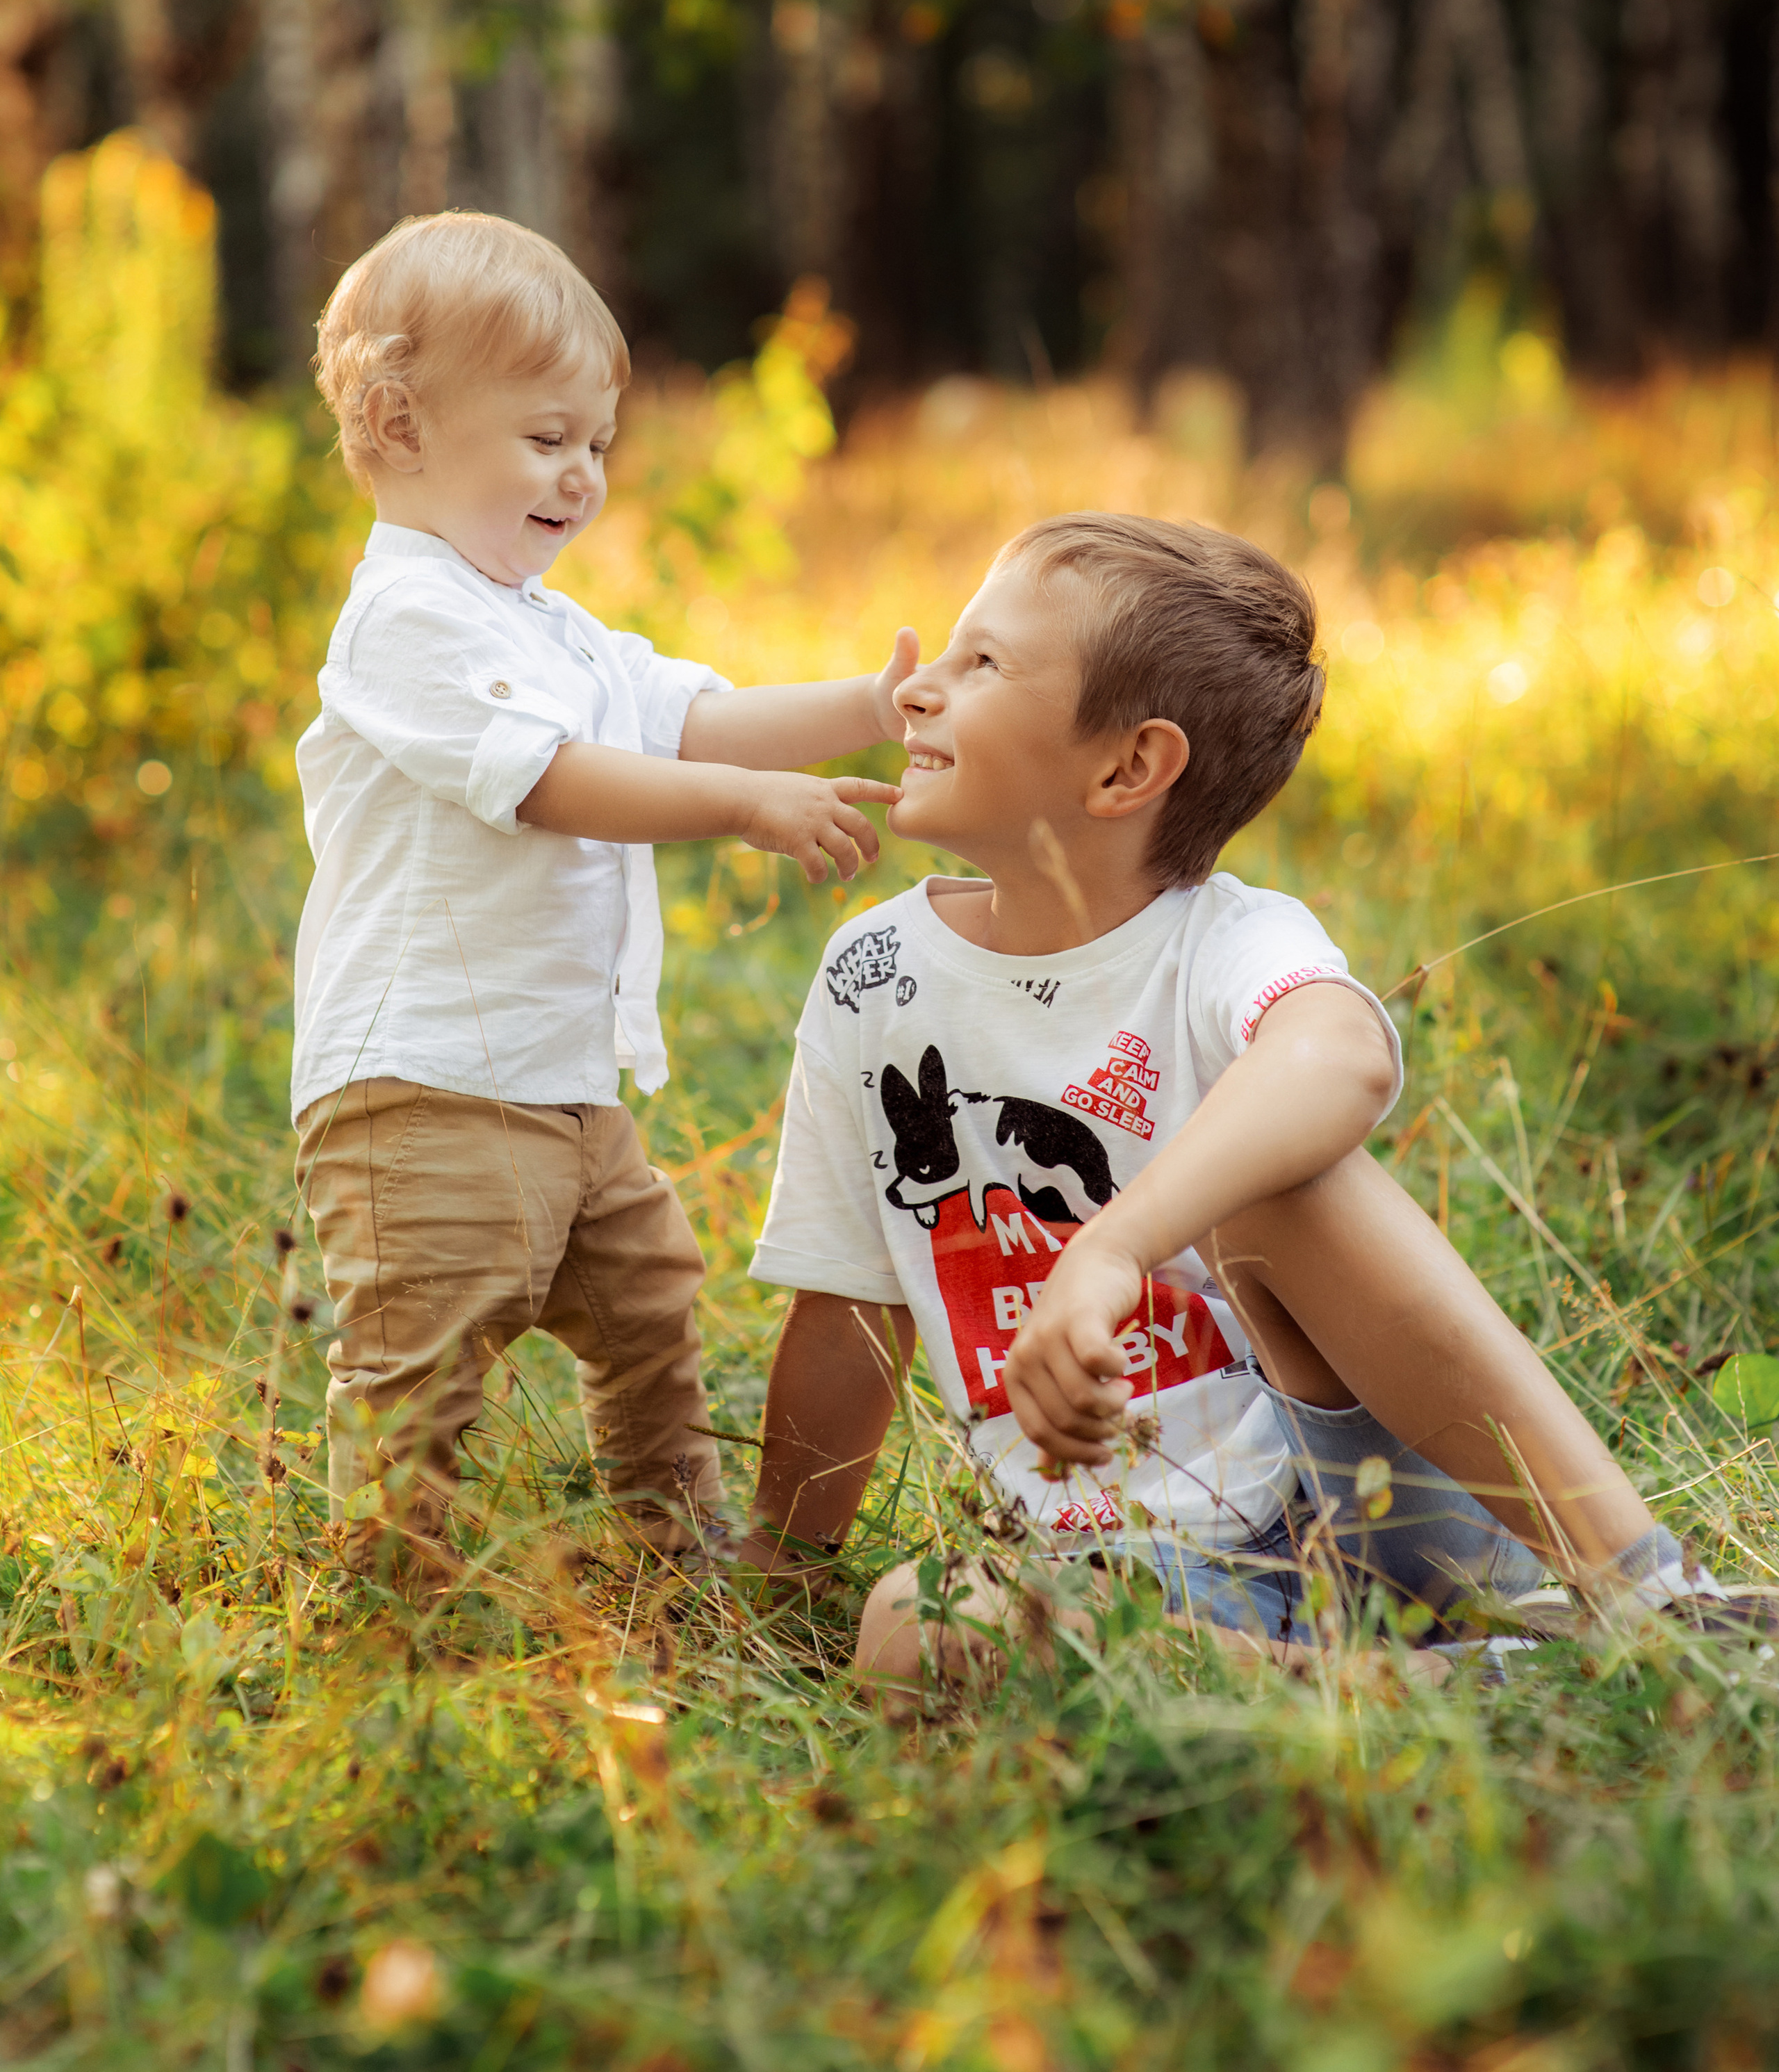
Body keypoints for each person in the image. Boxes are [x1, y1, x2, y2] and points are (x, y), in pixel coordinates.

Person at [738, 511, 1737, 1702]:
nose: (919, 691)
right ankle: (1470, 1694)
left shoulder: (1224, 941)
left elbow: (1343, 1057)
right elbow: (849, 1317)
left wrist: (1113, 1246)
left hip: (1379, 1507)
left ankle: (1657, 1611)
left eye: (983, 663)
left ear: (1126, 769)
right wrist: (778, 1571)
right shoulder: (874, 977)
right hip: (1134, 1575)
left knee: (1286, 1186)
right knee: (918, 1627)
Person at [293, 210, 909, 1573]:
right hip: (423, 1089)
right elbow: (554, 780)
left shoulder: (548, 622)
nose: (580, 475)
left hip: (564, 1092)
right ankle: (388, 1628)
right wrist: (746, 812)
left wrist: (867, 702)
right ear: (399, 424)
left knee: (648, 1305)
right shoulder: (407, 618)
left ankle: (667, 1546)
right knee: (422, 1368)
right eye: (544, 437)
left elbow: (693, 717)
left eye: (595, 444)